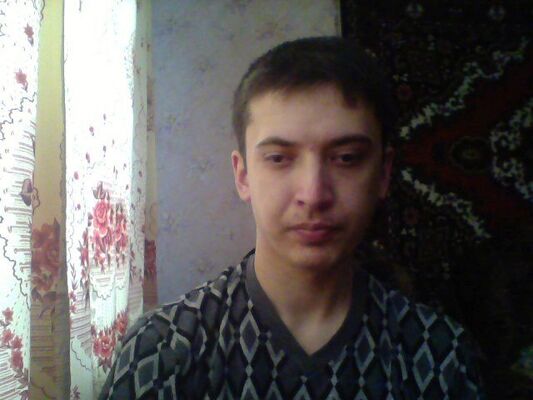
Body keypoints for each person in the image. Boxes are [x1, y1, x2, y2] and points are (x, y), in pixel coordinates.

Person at [99, 37, 485, 399]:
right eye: (279, 158)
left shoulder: (442, 357)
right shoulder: (162, 351)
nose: (313, 194)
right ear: (243, 175)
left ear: (383, 174)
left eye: (347, 158)